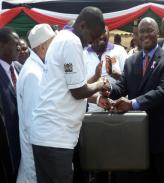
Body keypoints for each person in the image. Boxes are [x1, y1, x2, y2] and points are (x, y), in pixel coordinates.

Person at [29, 7, 106, 183]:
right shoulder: (71, 42)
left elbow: (68, 86)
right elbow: (78, 91)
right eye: (92, 37)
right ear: (83, 25)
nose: (91, 42)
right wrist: (100, 84)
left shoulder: (61, 38)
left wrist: (94, 81)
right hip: (55, 136)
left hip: (49, 135)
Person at [103, 17, 164, 183]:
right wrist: (106, 89)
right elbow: (121, 87)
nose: (145, 35)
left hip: (162, 137)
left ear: (157, 33)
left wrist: (132, 104)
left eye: (149, 30)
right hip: (137, 136)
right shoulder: (131, 61)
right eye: (141, 32)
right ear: (136, 35)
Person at [16, 24, 56, 183]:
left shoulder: (38, 68)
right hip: (35, 155)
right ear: (43, 47)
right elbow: (33, 124)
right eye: (54, 44)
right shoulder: (33, 74)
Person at [84, 26, 128, 112]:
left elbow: (129, 80)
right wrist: (96, 76)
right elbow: (80, 89)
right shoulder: (83, 54)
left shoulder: (119, 50)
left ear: (108, 33)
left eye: (104, 32)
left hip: (118, 109)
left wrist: (113, 73)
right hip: (93, 111)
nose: (101, 35)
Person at [0, 28, 21, 182]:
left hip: (23, 139)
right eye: (15, 44)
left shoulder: (20, 68)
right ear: (2, 45)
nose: (19, 47)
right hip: (5, 144)